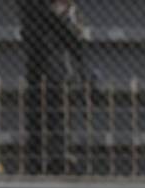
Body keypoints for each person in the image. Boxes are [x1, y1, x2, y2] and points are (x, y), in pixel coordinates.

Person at [18, 0, 87, 176]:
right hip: (41, 39)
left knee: (52, 93)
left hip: (48, 42)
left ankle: (52, 155)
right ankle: (42, 156)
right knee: (43, 94)